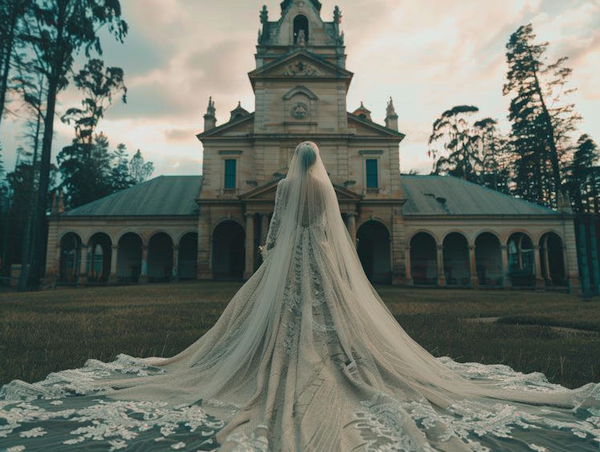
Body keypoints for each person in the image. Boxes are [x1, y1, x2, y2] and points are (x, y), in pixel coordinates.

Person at [1, 141, 599, 451]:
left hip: (288, 263)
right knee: (333, 315)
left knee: (281, 316)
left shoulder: (286, 188)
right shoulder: (320, 193)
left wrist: (268, 259)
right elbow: (331, 233)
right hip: (324, 262)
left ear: (293, 165)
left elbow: (275, 239)